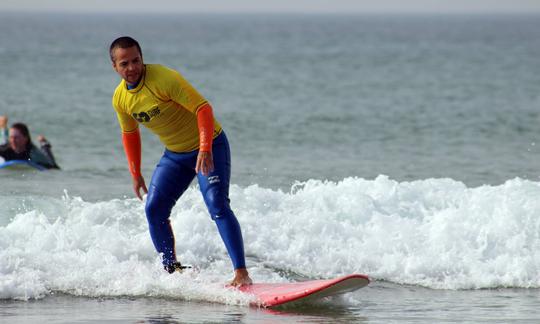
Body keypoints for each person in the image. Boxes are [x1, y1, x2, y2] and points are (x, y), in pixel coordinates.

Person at [109, 36, 252, 286]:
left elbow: (203, 109)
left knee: (217, 205)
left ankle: (241, 274)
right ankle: (172, 272)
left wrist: (205, 148)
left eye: (136, 61)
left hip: (210, 146)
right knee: (154, 208)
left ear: (143, 59)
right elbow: (130, 134)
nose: (131, 68)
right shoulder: (120, 98)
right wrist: (135, 173)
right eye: (124, 63)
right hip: (175, 155)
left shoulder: (164, 79)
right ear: (115, 67)